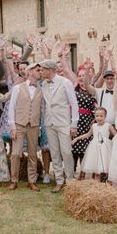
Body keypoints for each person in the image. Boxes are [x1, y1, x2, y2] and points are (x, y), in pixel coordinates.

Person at [40, 59, 79, 192]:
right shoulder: (44, 84)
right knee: (55, 153)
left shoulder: (65, 82)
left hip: (64, 123)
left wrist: (74, 124)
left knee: (67, 152)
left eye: (43, 69)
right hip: (49, 123)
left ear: (50, 70)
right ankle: (59, 181)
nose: (41, 72)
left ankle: (70, 181)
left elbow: (74, 104)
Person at [7, 63, 43, 191]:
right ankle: (14, 180)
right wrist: (12, 126)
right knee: (16, 153)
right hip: (19, 124)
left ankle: (32, 181)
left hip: (34, 125)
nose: (40, 71)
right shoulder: (18, 88)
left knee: (33, 154)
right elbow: (11, 107)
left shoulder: (41, 89)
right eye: (38, 70)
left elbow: (42, 109)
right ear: (30, 72)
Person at [71, 107, 114, 182]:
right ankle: (96, 185)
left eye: (101, 116)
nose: (99, 118)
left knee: (107, 168)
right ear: (94, 116)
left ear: (105, 116)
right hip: (95, 149)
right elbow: (87, 135)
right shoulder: (94, 126)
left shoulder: (108, 125)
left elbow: (116, 135)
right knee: (97, 169)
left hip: (105, 149)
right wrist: (76, 139)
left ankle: (108, 186)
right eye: (97, 116)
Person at [72, 67, 97, 177]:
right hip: (75, 120)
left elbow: (97, 107)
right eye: (80, 76)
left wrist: (94, 119)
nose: (81, 78)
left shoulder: (92, 91)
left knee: (84, 148)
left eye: (84, 75)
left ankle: (82, 174)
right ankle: (71, 174)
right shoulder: (74, 89)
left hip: (87, 121)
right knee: (73, 149)